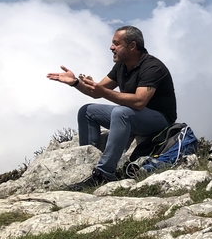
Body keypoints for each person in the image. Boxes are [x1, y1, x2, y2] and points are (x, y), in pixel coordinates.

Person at [47, 26, 177, 189]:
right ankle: (90, 168)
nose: (111, 47)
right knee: (87, 111)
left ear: (132, 46)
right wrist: (75, 83)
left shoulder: (152, 67)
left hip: (159, 121)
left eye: (116, 44)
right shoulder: (122, 66)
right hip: (132, 116)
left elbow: (139, 101)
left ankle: (104, 174)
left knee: (121, 113)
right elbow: (96, 92)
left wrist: (103, 92)